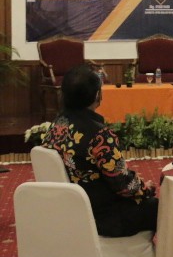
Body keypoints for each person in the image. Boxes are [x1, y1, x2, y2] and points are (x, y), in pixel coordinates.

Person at [41, 64, 158, 237]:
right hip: (103, 216)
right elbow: (123, 185)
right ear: (97, 95)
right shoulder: (100, 135)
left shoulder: (56, 125)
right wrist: (145, 188)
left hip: (70, 209)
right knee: (160, 208)